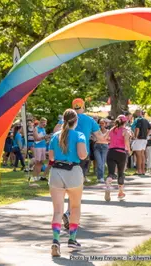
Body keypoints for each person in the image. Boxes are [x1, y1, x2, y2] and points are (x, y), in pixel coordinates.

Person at [48, 109, 87, 257]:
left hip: (56, 173)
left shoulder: (55, 136)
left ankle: (56, 241)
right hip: (73, 172)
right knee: (75, 207)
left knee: (58, 210)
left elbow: (51, 157)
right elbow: (82, 155)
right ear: (76, 120)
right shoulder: (80, 135)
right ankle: (72, 238)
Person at [62, 98, 104, 229]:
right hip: (81, 156)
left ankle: (67, 212)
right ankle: (70, 213)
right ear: (83, 107)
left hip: (65, 155)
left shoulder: (67, 118)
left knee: (66, 185)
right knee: (76, 187)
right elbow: (100, 137)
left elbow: (57, 130)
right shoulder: (89, 120)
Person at [105, 115, 131, 201]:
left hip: (111, 152)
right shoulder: (125, 131)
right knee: (121, 173)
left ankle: (108, 186)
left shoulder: (112, 130)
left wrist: (111, 141)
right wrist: (129, 150)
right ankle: (120, 193)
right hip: (121, 153)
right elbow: (126, 142)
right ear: (125, 122)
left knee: (111, 172)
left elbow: (105, 138)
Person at [132, 109, 151, 175]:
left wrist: (135, 136)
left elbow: (137, 129)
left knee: (138, 155)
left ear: (138, 113)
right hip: (144, 139)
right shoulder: (146, 120)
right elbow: (150, 129)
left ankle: (139, 171)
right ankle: (143, 171)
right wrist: (146, 135)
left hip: (139, 139)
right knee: (142, 155)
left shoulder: (138, 119)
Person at [93, 119, 110, 183]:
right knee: (99, 162)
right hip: (97, 146)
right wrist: (103, 139)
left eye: (103, 123)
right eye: (100, 123)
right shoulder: (96, 131)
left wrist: (105, 140)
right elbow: (94, 138)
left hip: (105, 147)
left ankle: (101, 177)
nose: (101, 124)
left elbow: (110, 140)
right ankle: (100, 177)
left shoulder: (108, 131)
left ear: (105, 124)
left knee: (102, 162)